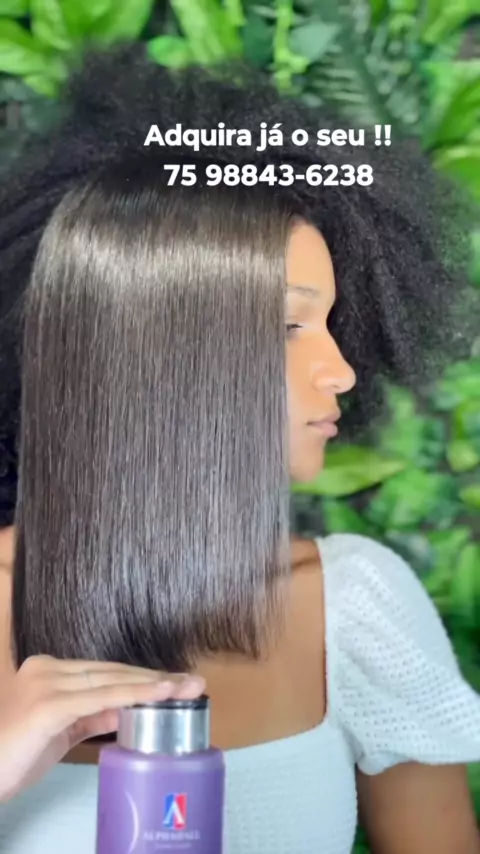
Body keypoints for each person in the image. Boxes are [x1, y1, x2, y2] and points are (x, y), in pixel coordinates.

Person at [0, 44, 480, 854]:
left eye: (332, 324)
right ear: (154, 352)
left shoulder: (352, 607)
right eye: (291, 325)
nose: (341, 370)